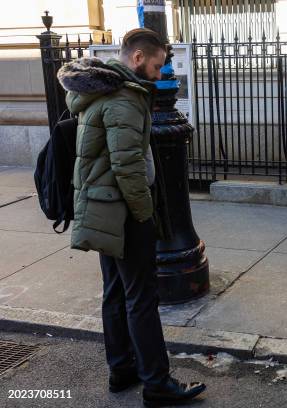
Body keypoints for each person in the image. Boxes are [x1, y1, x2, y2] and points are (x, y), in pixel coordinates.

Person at [57, 28, 206, 406]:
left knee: (115, 291)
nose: (159, 75)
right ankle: (158, 384)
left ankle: (121, 371)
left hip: (102, 207)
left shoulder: (98, 91)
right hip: (124, 212)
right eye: (157, 65)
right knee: (141, 297)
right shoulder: (123, 97)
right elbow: (128, 167)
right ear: (138, 58)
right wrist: (145, 217)